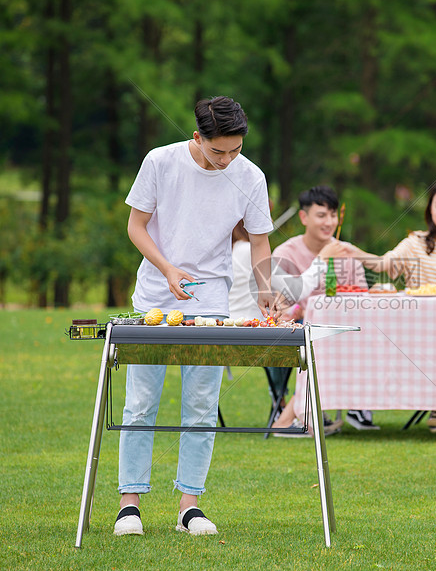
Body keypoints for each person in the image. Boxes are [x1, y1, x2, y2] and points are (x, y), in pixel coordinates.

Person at [114, 96, 277, 538]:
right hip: (154, 298)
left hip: (212, 302)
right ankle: (130, 505)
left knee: (202, 407)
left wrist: (265, 289)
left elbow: (259, 242)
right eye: (217, 151)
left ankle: (190, 506)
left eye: (235, 151)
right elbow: (136, 226)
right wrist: (167, 268)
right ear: (197, 137)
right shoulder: (160, 162)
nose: (226, 160)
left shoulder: (251, 176)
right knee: (141, 404)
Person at [344, 179, 436, 433]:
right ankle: (432, 402)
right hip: (414, 329)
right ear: (430, 210)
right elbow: (383, 265)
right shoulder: (415, 243)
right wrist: (350, 250)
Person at [270, 185, 378, 432]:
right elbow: (285, 303)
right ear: (303, 217)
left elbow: (362, 298)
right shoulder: (285, 253)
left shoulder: (346, 251)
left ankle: (351, 404)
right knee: (317, 340)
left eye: (333, 215)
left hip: (341, 332)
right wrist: (324, 258)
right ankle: (297, 415)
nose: (329, 222)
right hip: (298, 332)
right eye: (321, 215)